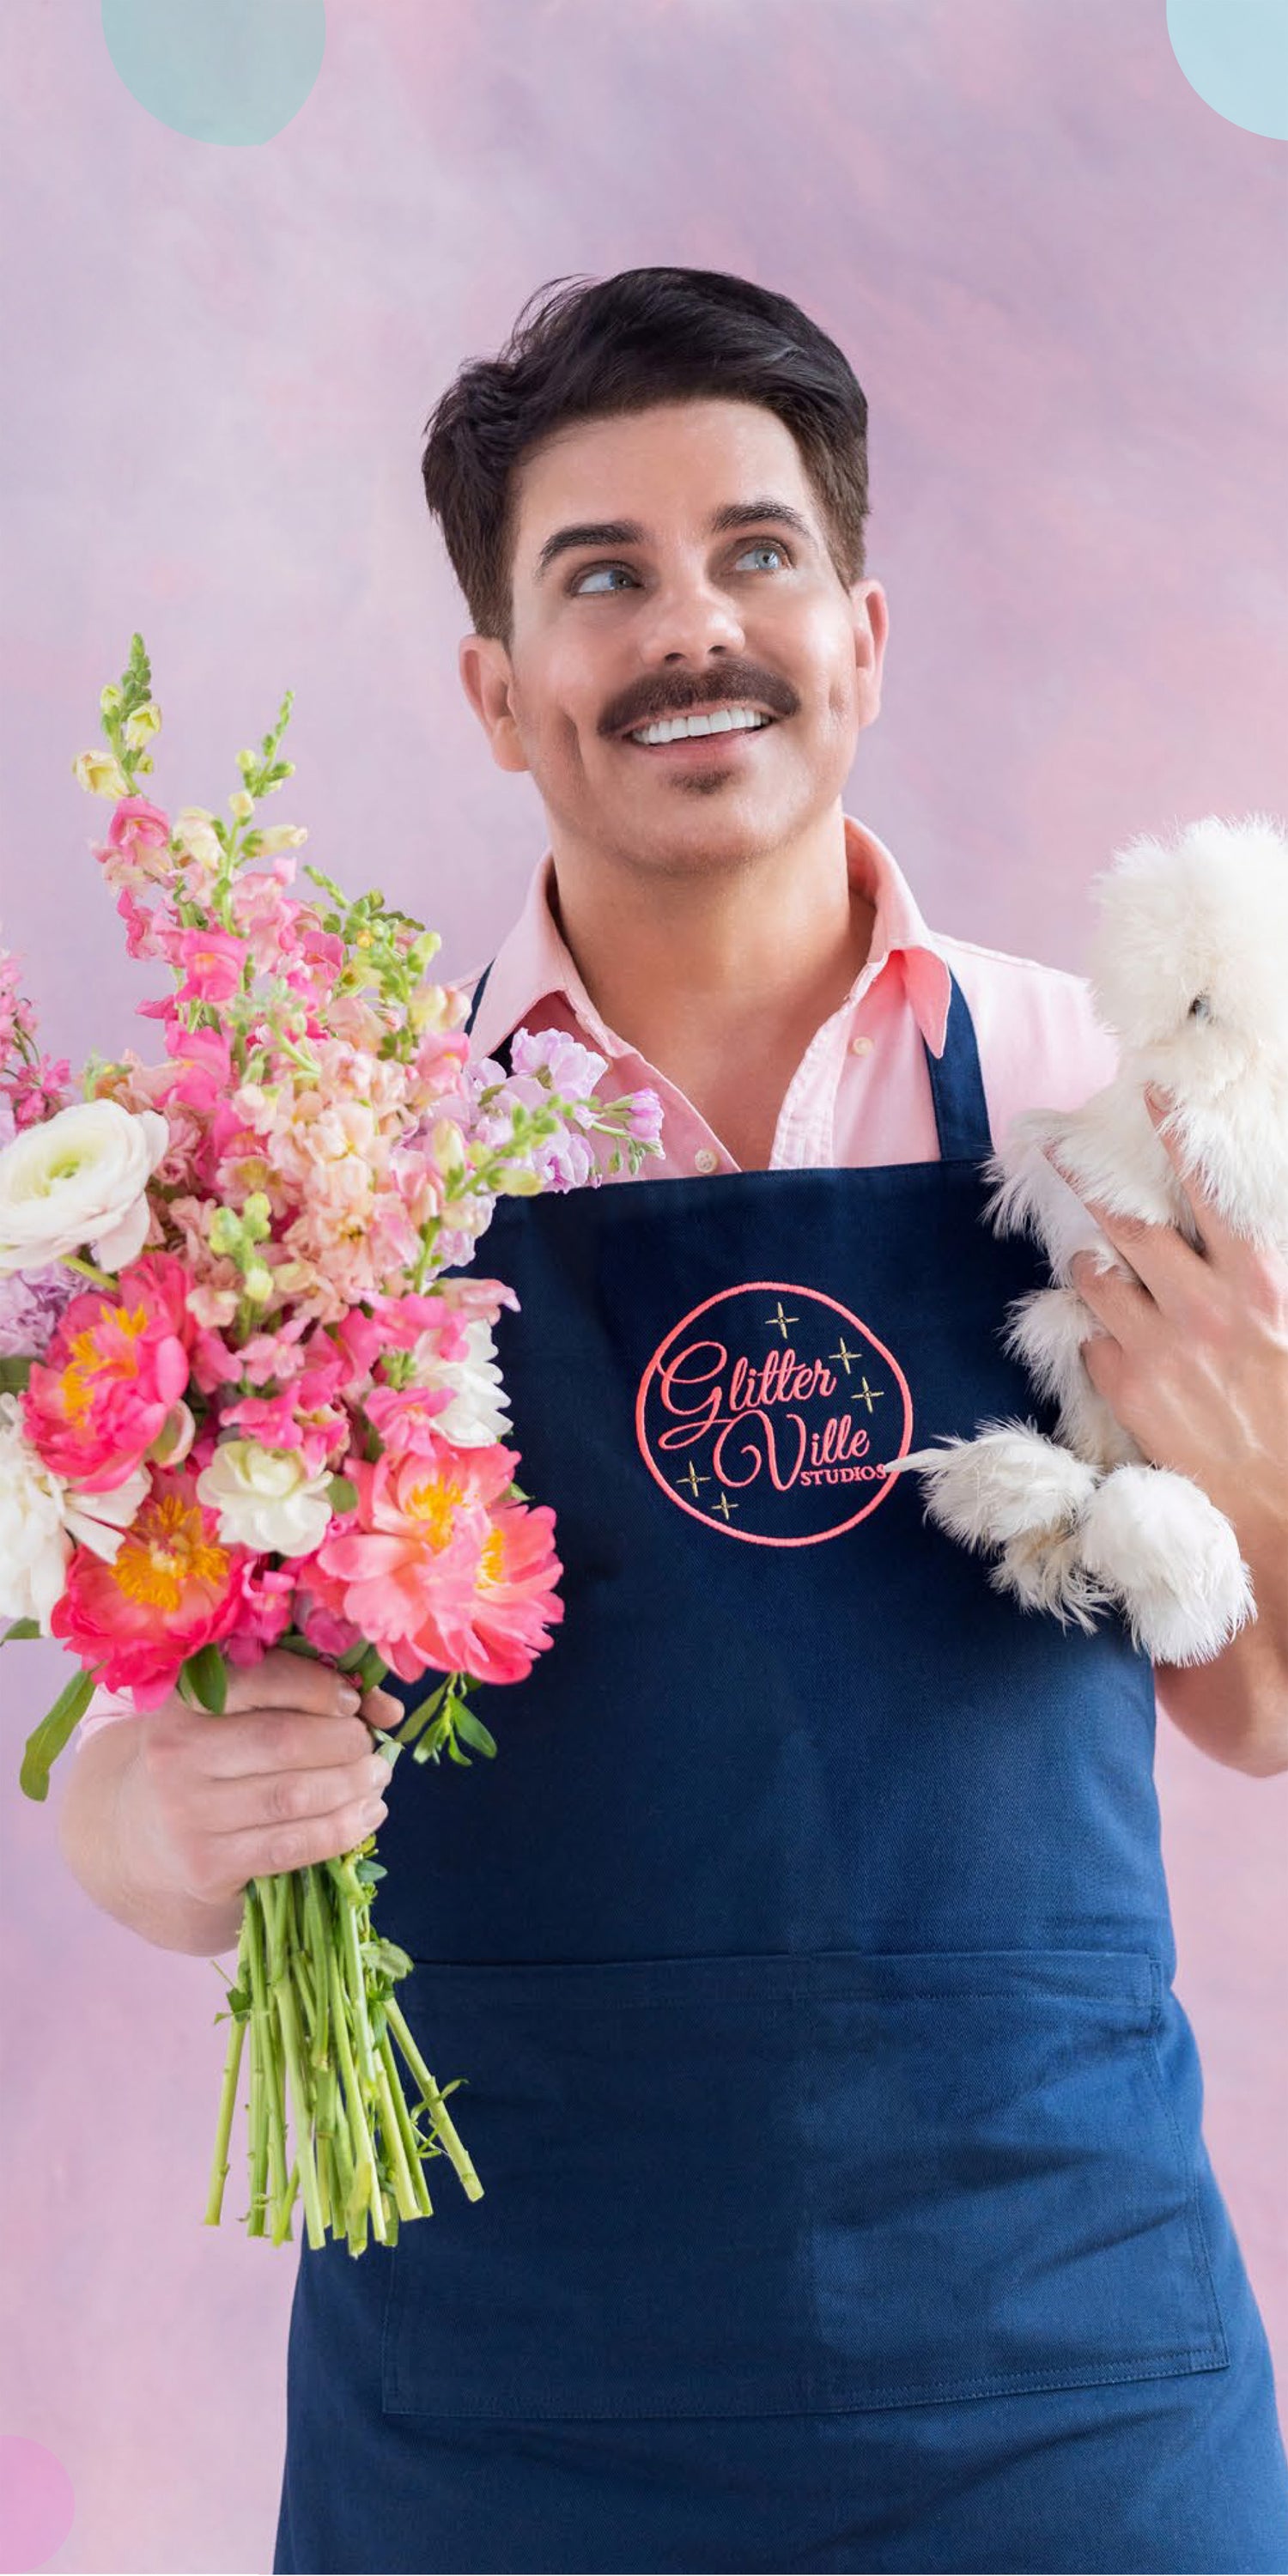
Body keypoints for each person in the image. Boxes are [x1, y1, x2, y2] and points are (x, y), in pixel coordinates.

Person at [58, 266, 1288, 2575]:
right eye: (597, 578)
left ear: (860, 632)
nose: (687, 628)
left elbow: (1258, 1705)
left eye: (752, 554)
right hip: (508, 2401)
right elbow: (143, 1777)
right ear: (498, 689)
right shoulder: (338, 1162)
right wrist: (157, 1825)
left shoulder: (1105, 1105)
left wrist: (1273, 1482)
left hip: (1053, 2374)